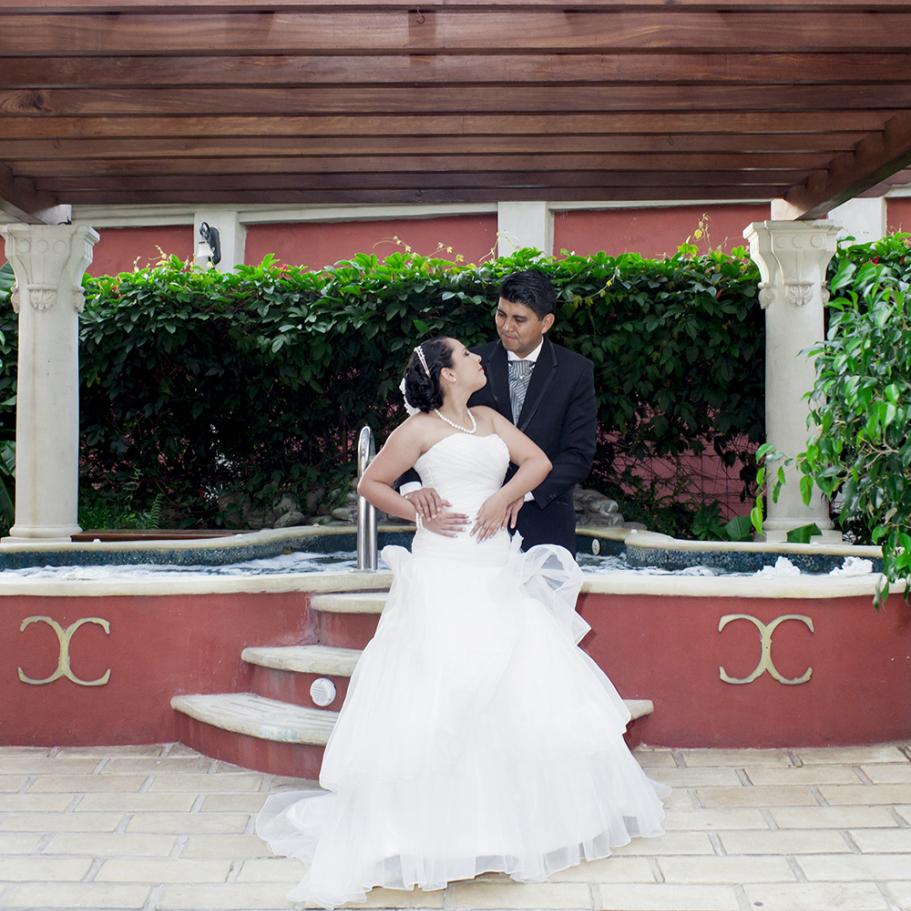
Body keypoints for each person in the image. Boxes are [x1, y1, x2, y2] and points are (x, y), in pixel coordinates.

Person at [256, 336, 668, 908]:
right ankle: (430, 833)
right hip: (443, 565)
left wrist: (504, 498)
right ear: (447, 374)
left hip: (495, 562)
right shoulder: (419, 429)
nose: (479, 358)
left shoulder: (489, 419)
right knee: (443, 687)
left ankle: (520, 826)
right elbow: (370, 483)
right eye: (467, 356)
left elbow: (539, 463)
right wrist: (416, 508)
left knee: (518, 680)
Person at [402, 270, 596, 554]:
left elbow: (578, 455)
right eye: (501, 314)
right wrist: (411, 488)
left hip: (545, 523)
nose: (506, 326)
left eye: (519, 319)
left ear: (546, 322)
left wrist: (521, 493)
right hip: (468, 529)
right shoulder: (467, 364)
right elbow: (417, 429)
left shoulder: (576, 371)